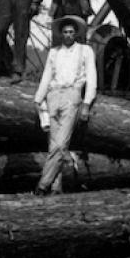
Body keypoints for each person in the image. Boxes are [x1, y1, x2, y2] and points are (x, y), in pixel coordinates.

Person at [33, 16, 96, 195]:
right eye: (65, 32)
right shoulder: (54, 52)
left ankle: (42, 185)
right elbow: (46, 76)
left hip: (72, 94)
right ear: (61, 34)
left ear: (76, 34)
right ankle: (56, 187)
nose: (68, 35)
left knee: (61, 144)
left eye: (71, 32)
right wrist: (39, 98)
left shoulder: (85, 51)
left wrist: (86, 103)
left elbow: (92, 79)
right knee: (53, 145)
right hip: (53, 95)